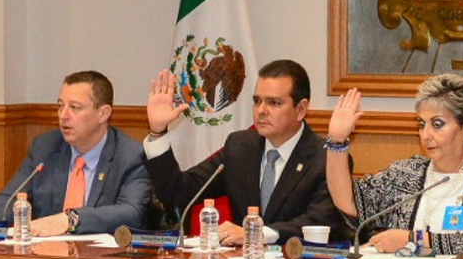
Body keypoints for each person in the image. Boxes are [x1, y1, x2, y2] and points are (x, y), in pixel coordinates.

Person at [144, 59, 339, 245]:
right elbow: (180, 193)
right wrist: (157, 132)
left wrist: (256, 234)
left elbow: (321, 221)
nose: (261, 110)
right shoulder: (240, 147)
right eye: (257, 101)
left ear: (301, 109)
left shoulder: (327, 158)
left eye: (274, 103)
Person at [326, 74, 463, 256]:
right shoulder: (406, 173)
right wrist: (336, 140)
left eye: (437, 124)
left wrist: (413, 239)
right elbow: (348, 202)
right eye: (422, 124)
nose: (426, 135)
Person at [0, 71, 151, 236]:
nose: (63, 115)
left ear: (103, 113)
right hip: (47, 255)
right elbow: (12, 196)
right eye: (60, 106)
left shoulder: (130, 156)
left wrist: (71, 219)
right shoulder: (45, 147)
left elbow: (132, 212)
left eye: (74, 108)